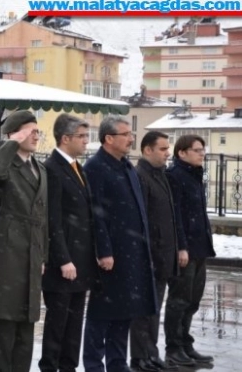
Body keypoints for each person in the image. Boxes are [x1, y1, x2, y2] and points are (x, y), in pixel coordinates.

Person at [82, 116, 157, 372]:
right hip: (111, 254)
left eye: (130, 133)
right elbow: (96, 214)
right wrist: (104, 251)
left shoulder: (126, 166)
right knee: (101, 314)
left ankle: (117, 363)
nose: (131, 138)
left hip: (132, 251)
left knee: (125, 311)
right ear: (109, 138)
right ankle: (93, 365)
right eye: (125, 134)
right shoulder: (95, 167)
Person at [0, 110, 48, 372]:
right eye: (29, 131)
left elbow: (44, 216)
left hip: (32, 248)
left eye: (37, 131)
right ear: (14, 134)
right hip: (9, 247)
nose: (36, 136)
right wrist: (11, 142)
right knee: (6, 318)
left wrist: (43, 255)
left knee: (27, 319)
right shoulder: (6, 163)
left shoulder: (39, 168)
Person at [39, 114, 96, 372]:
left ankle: (69, 367)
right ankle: (51, 367)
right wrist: (63, 259)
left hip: (80, 260)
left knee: (74, 324)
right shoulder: (52, 169)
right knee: (57, 323)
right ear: (65, 139)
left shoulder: (76, 167)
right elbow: (53, 219)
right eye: (82, 137)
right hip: (64, 262)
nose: (86, 141)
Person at [129, 131, 180, 372]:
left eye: (167, 148)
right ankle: (140, 357)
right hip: (149, 257)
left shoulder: (160, 176)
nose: (167, 153)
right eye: (162, 149)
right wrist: (145, 255)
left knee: (154, 309)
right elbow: (141, 221)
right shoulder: (140, 176)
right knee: (144, 311)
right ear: (147, 150)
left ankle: (151, 353)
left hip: (162, 257)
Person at [164, 134, 216, 366]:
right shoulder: (175, 176)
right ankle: (173, 348)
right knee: (179, 300)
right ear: (181, 153)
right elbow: (176, 216)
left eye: (203, 150)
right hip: (186, 250)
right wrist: (181, 247)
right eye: (197, 150)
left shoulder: (194, 176)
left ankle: (186, 344)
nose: (202, 154)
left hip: (199, 248)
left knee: (193, 300)